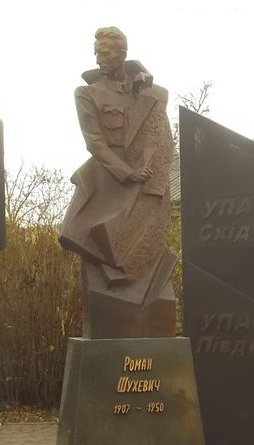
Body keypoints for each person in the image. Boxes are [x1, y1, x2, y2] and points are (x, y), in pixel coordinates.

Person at [59, 26, 176, 338]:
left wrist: (141, 72)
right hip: (108, 182)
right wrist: (126, 172)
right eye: (97, 54)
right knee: (102, 244)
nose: (100, 60)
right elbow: (94, 142)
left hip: (146, 181)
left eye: (107, 54)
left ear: (122, 55)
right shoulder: (87, 93)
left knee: (142, 250)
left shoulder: (145, 90)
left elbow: (159, 130)